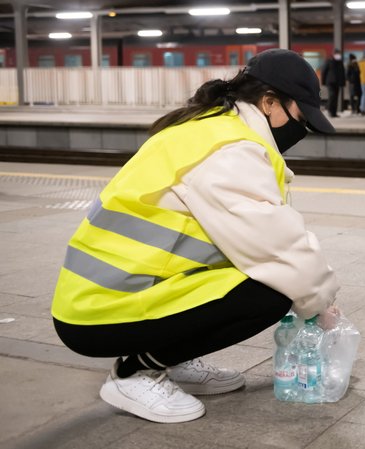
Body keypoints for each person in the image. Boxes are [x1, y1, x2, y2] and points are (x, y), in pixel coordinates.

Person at [49, 49, 341, 423]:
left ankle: (172, 358)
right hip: (98, 313)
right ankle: (134, 372)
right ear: (269, 103)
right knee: (272, 292)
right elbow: (280, 248)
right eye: (301, 117)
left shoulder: (209, 127)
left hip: (105, 295)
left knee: (260, 275)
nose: (303, 130)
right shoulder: (230, 150)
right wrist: (321, 300)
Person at [321, 48, 346, 118]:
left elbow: (342, 72)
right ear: (334, 54)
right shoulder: (329, 61)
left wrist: (343, 82)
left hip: (337, 82)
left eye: (339, 54)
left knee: (336, 97)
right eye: (337, 54)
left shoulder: (340, 62)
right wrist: (323, 82)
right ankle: (329, 111)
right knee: (332, 96)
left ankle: (334, 113)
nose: (338, 55)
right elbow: (324, 71)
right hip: (330, 82)